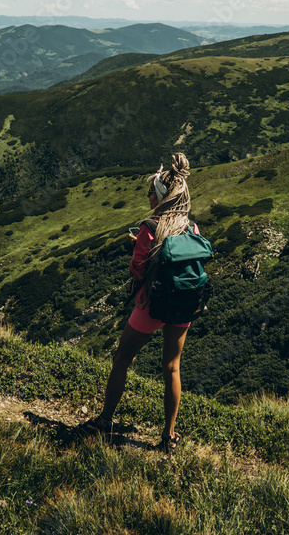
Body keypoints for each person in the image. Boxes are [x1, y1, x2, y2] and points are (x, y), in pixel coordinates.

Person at [74, 152, 199, 453]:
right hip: (183, 303)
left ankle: (105, 421)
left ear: (160, 197)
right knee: (172, 367)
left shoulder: (150, 227)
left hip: (151, 305)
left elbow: (137, 270)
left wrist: (139, 247)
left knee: (122, 358)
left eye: (150, 192)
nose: (147, 196)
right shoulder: (191, 228)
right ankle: (169, 437)